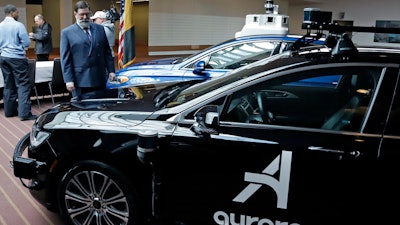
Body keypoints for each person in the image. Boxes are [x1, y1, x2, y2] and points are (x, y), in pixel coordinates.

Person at [60, 1, 116, 100]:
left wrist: (111, 70)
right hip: (80, 80)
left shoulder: (99, 29)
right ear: (75, 14)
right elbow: (65, 59)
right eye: (82, 14)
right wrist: (68, 80)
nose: (85, 17)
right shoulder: (67, 33)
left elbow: (107, 51)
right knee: (82, 111)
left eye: (87, 14)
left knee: (100, 108)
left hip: (99, 78)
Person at [0, 4, 37, 121]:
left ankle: (9, 112)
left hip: (3, 57)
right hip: (17, 58)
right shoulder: (18, 25)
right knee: (23, 85)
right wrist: (19, 46)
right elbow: (26, 43)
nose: (18, 14)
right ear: (12, 12)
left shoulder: (0, 26)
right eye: (17, 12)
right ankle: (24, 113)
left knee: (8, 84)